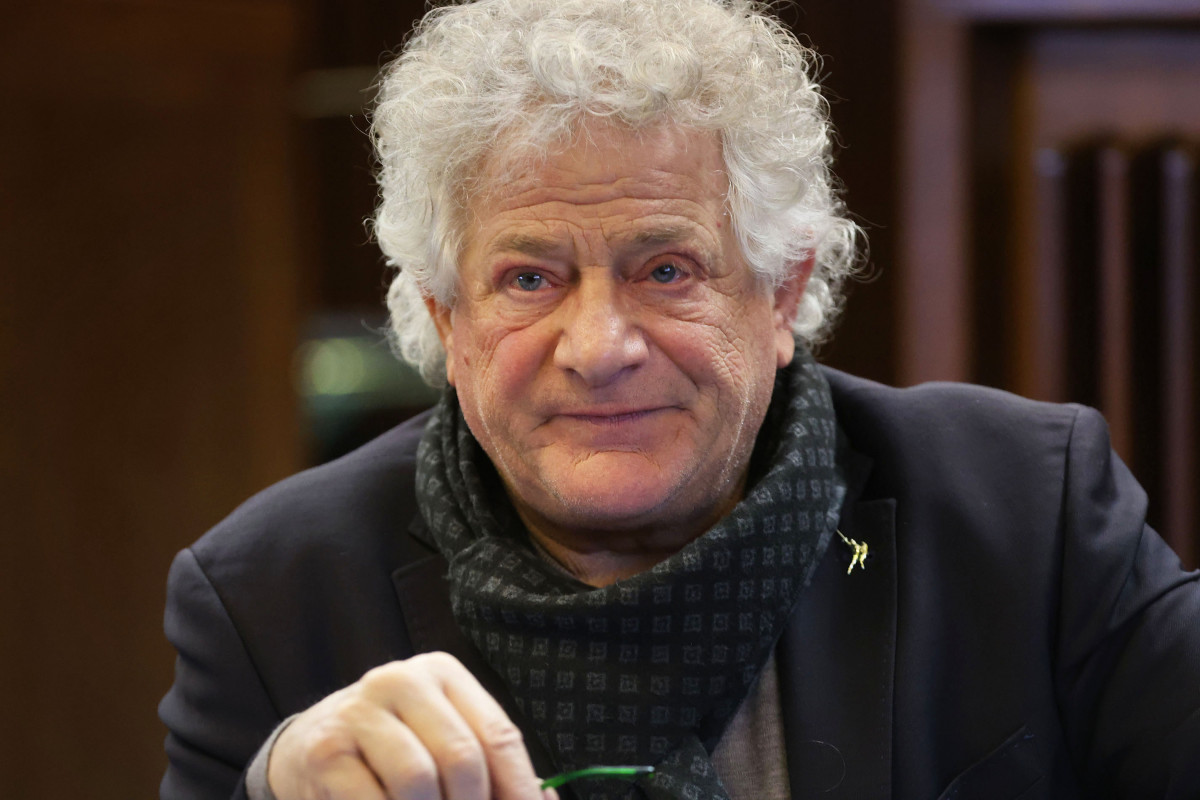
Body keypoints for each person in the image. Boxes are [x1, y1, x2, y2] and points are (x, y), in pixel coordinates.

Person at [158, 0, 1200, 798]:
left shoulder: (1027, 511)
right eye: (530, 278)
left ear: (781, 293)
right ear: (446, 318)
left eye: (666, 270)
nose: (599, 348)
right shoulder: (270, 596)